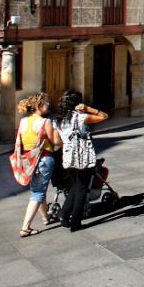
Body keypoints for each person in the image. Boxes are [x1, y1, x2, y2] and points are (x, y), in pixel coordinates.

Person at [51, 90, 106, 232]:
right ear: (77, 103)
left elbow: (57, 141)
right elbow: (103, 116)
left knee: (75, 185)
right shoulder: (80, 118)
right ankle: (75, 221)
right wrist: (87, 109)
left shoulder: (58, 120)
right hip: (83, 158)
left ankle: (64, 214)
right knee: (82, 188)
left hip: (68, 158)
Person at [16, 93, 60, 238]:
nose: (49, 105)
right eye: (46, 103)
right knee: (38, 193)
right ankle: (25, 227)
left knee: (40, 189)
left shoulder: (23, 122)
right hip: (44, 159)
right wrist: (59, 134)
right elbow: (55, 141)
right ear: (39, 106)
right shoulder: (44, 122)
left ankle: (45, 217)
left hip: (28, 161)